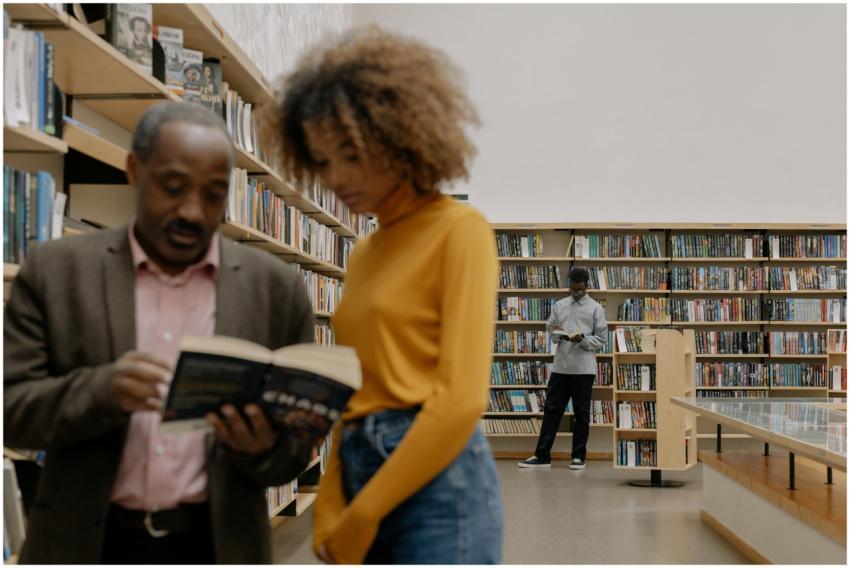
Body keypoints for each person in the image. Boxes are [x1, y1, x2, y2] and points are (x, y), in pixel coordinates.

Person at [3, 102, 316, 564]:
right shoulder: (56, 273)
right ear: (135, 169)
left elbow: (292, 454)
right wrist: (103, 390)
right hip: (86, 543)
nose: (192, 211)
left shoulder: (275, 290)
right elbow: (10, 411)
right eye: (173, 187)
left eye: (213, 195)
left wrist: (264, 446)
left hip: (217, 546)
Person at [267, 26, 503, 564]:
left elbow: (461, 401)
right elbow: (359, 392)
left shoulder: (460, 231)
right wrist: (331, 499)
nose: (336, 178)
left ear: (399, 137)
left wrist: (367, 512)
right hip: (359, 465)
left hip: (441, 487)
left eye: (351, 154)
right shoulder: (366, 251)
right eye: (323, 161)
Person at [518, 267, 608, 470]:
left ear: (587, 286)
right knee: (551, 410)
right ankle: (542, 455)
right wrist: (559, 334)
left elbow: (602, 339)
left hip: (584, 369)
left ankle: (578, 457)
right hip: (561, 366)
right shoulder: (559, 305)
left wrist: (583, 339)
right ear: (570, 285)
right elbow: (550, 329)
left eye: (580, 290)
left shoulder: (596, 308)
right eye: (573, 289)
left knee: (581, 413)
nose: (576, 293)